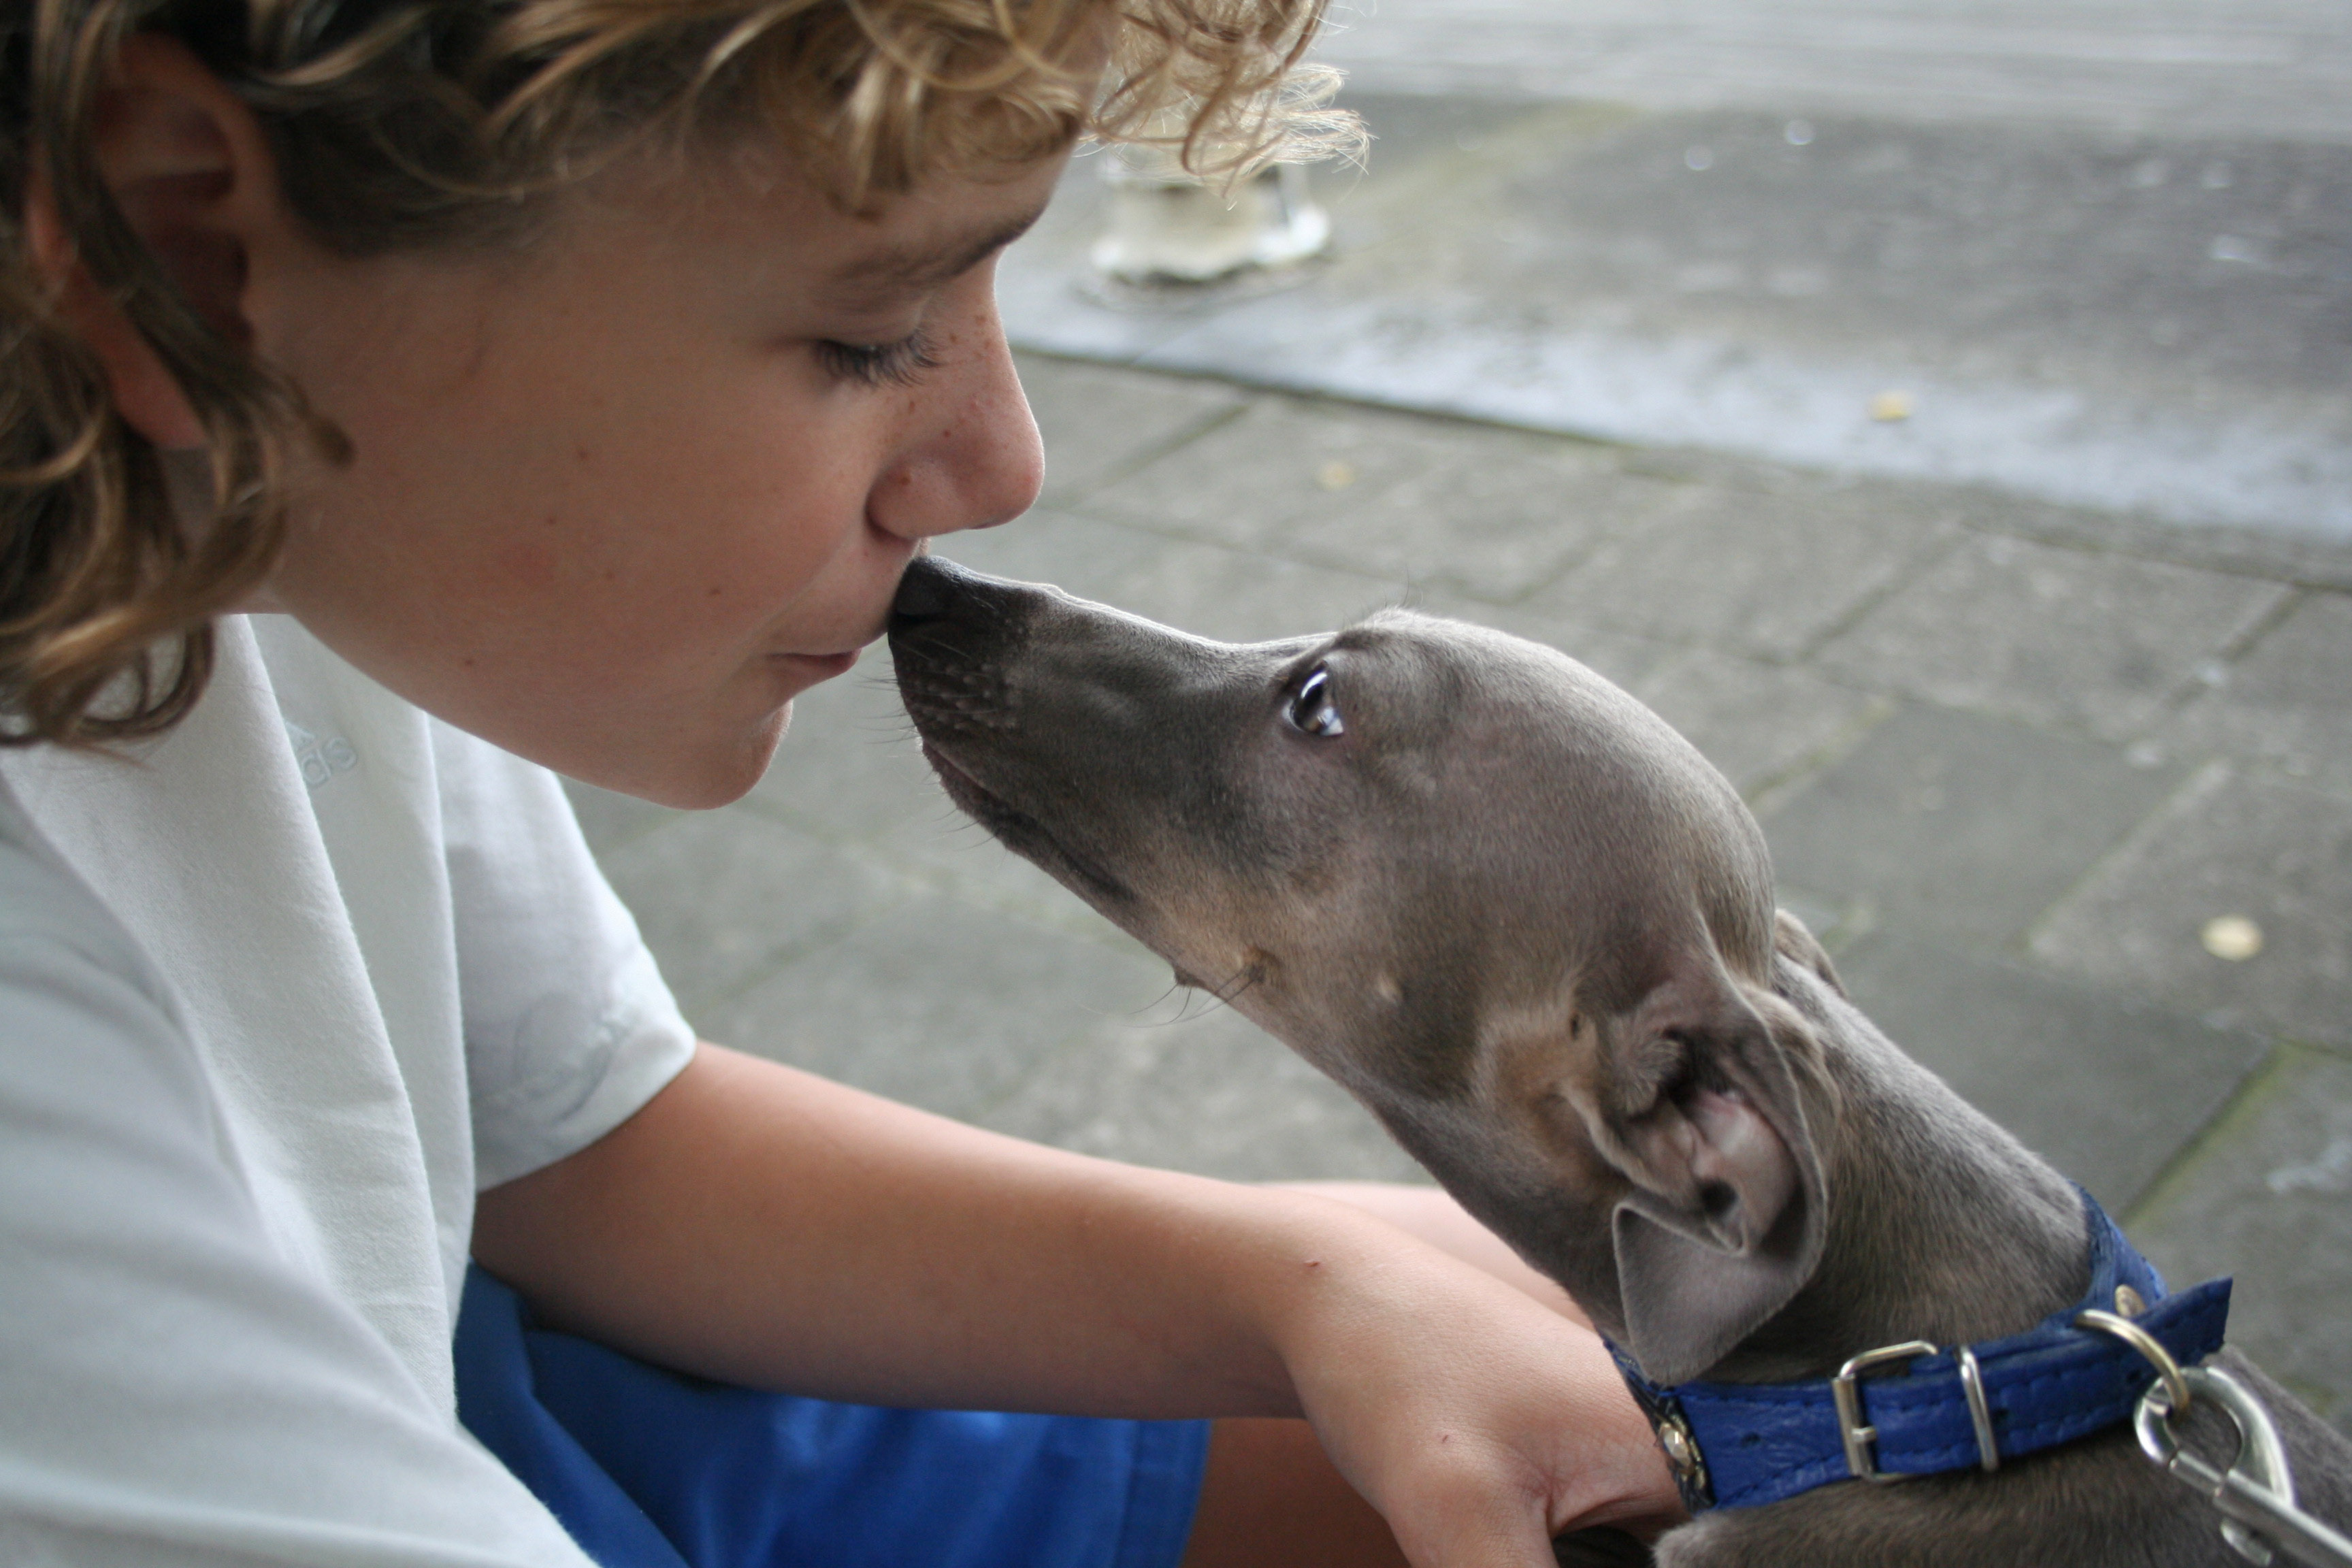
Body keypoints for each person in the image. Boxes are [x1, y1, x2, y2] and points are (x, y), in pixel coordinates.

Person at [0, 3, 1678, 1565]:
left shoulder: (295, 548)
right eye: (872, 332)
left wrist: (1303, 1290)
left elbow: (580, 1143)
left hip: (508, 1375)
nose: (1005, 465)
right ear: (193, 253)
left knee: (1544, 1323)